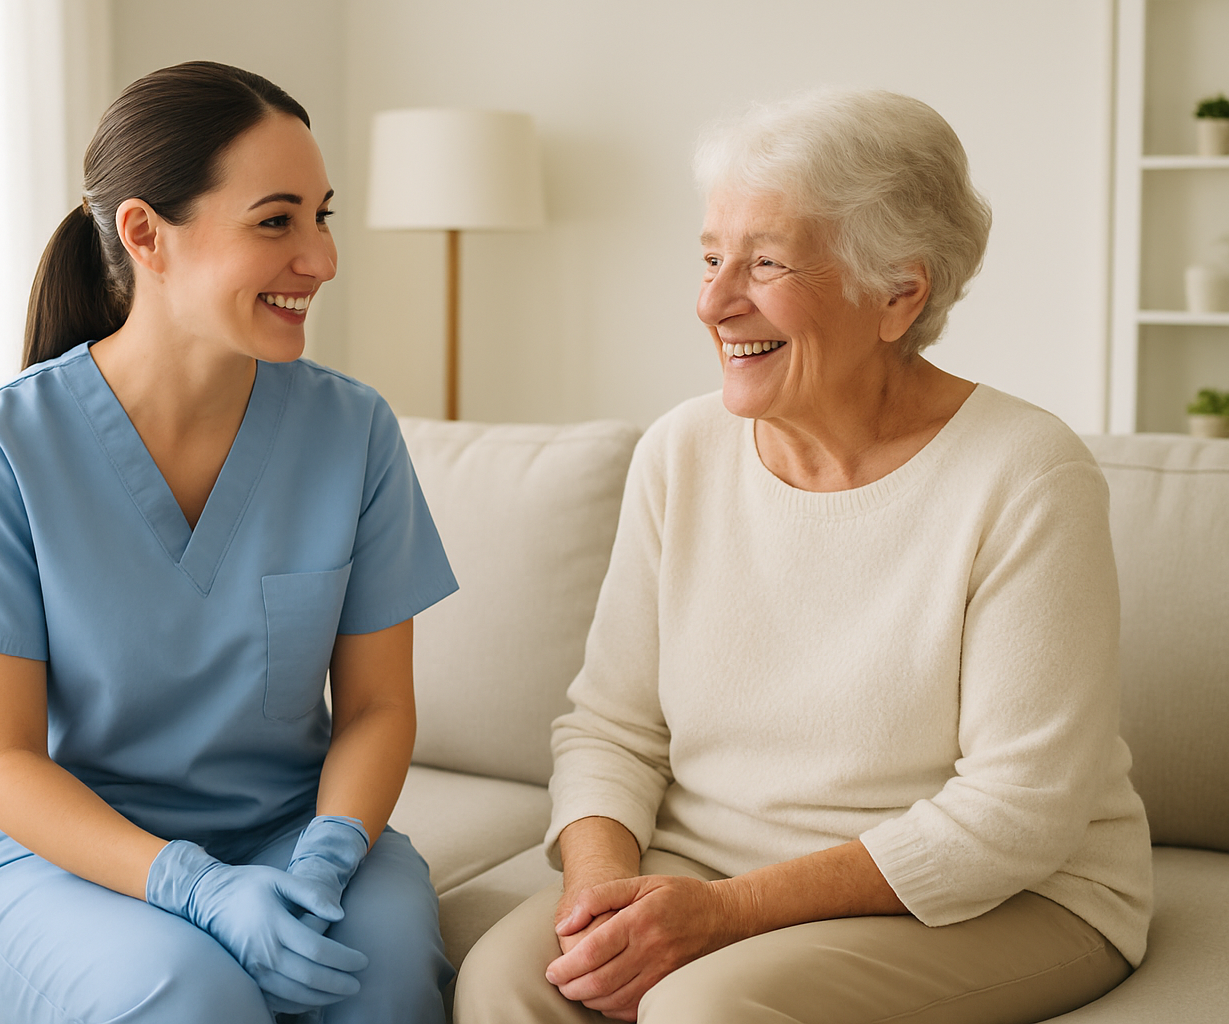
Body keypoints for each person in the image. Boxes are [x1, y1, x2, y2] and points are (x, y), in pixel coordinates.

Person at [454, 88, 1152, 1024]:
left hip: (1004, 895)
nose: (712, 302)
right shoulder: (682, 451)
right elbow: (612, 729)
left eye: (766, 264)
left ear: (899, 295)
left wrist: (727, 914)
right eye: (709, 258)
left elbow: (1016, 812)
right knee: (508, 980)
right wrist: (599, 900)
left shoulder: (1026, 472)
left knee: (706, 1008)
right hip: (702, 865)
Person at [0, 62, 457, 1024]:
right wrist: (192, 887)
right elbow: (1, 762)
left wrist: (327, 855)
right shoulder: (1, 451)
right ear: (146, 235)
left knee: (387, 977)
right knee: (193, 998)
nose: (320, 259)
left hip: (290, 832)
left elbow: (375, 707)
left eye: (323, 217)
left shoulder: (352, 431)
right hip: (59, 851)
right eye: (276, 221)